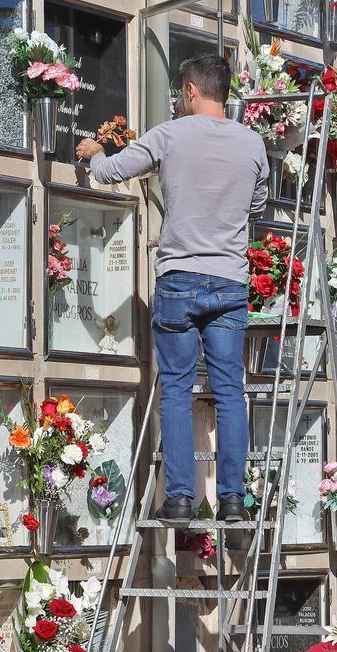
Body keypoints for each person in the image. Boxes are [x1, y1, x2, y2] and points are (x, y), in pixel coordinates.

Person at [75, 54, 269, 524]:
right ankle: (233, 502)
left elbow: (112, 172)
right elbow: (257, 204)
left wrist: (91, 153)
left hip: (180, 278)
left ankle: (180, 498)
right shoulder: (253, 143)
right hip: (228, 282)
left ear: (189, 91)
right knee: (229, 392)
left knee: (177, 390)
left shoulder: (171, 133)